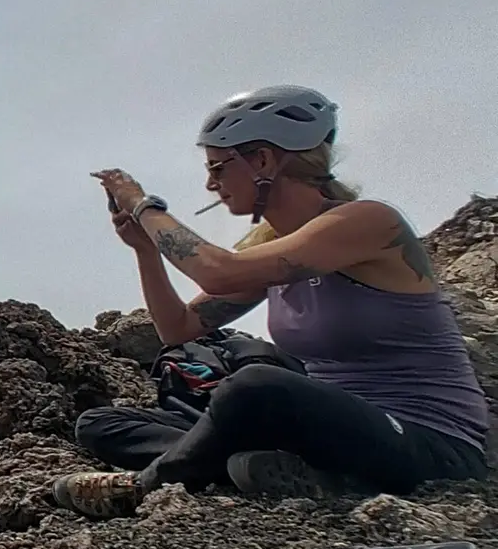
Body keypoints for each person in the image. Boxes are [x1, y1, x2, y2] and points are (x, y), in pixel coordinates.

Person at [54, 84, 490, 519]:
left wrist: (144, 205)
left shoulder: (369, 223)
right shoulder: (273, 248)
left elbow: (217, 270)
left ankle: (148, 484)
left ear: (263, 159)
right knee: (102, 424)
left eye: (219, 168)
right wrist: (145, 251)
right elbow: (179, 330)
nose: (211, 184)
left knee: (254, 385)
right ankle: (271, 470)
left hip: (429, 443)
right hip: (330, 432)